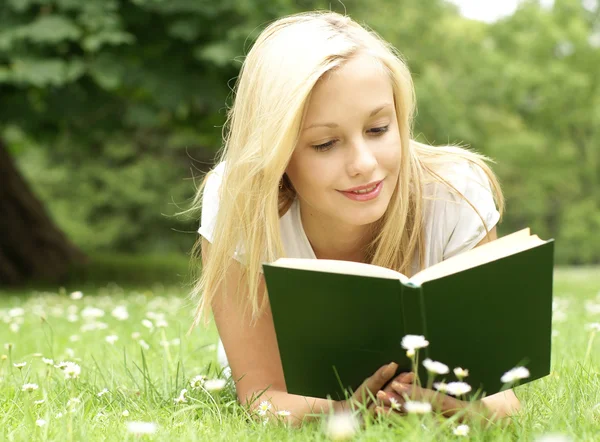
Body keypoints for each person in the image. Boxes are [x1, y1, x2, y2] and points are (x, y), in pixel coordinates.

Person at [188, 10, 520, 426]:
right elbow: (263, 397)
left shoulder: (456, 194)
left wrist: (459, 409)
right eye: (326, 143)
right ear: (278, 153)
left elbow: (503, 401)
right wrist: (344, 411)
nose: (364, 164)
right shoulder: (239, 198)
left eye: (379, 129)